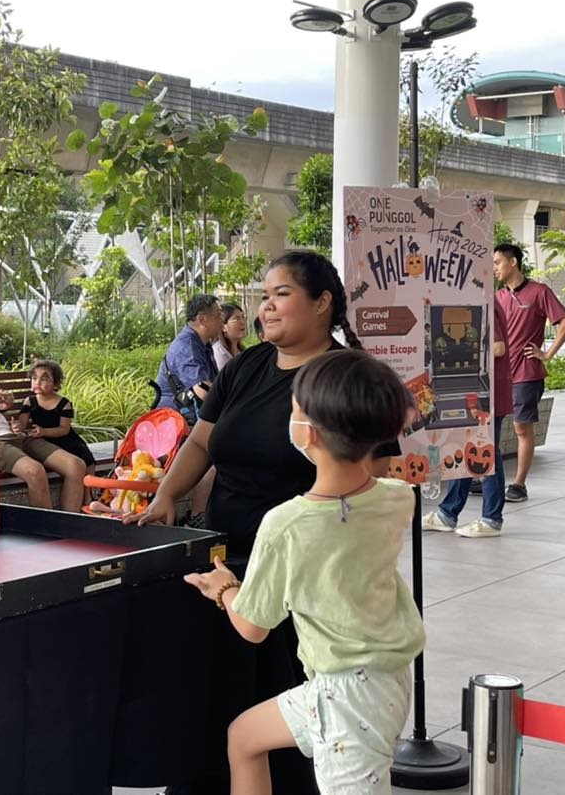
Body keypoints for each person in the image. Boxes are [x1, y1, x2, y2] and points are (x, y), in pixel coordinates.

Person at [134, 250, 400, 793]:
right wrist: (166, 496)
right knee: (224, 701)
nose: (266, 305)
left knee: (295, 705)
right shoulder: (248, 366)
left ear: (323, 303)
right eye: (264, 295)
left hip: (306, 575)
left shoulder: (345, 378)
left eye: (282, 293)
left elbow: (372, 476)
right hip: (224, 559)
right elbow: (203, 440)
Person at [183, 349, 424, 795]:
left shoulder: (288, 524)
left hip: (346, 695)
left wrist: (223, 589)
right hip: (379, 679)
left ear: (307, 433)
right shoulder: (397, 497)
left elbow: (253, 627)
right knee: (245, 737)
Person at [0, 315, 87, 512]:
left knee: (76, 466)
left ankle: (70, 531)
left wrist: (4, 402)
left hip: (13, 435)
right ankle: (49, 536)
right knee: (35, 471)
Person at [493, 243, 565, 503]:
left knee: (521, 428)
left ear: (512, 262)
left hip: (527, 373)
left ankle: (519, 484)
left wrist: (547, 354)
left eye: (497, 262)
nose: (494, 268)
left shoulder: (539, 291)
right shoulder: (497, 297)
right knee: (489, 428)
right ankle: (486, 479)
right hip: (500, 374)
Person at [423, 303, 512, 537]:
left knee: (486, 452)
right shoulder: (478, 303)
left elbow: (499, 347)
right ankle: (448, 513)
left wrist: (462, 350)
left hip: (489, 393)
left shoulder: (484, 304)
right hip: (480, 387)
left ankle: (491, 518)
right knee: (466, 447)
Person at [15, 359, 96, 469]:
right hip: (43, 442)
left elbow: (64, 429)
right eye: (34, 378)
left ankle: (90, 485)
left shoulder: (63, 403)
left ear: (56, 384)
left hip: (66, 440)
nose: (37, 383)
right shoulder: (30, 401)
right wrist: (16, 427)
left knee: (88, 462)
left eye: (44, 379)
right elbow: (22, 425)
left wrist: (44, 431)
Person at [154, 293, 222, 418]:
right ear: (202, 320)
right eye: (218, 316)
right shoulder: (187, 347)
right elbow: (203, 391)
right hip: (175, 422)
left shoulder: (202, 343)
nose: (222, 320)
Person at [212, 302, 247, 371]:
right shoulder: (219, 353)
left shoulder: (240, 351)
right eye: (237, 319)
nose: (243, 322)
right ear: (223, 327)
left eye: (243, 317)